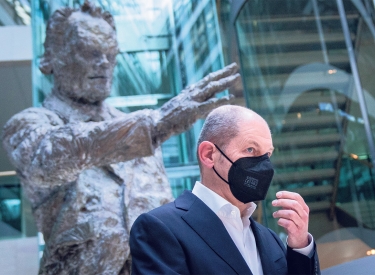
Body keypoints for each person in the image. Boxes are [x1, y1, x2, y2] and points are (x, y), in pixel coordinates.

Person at [1, 2, 240, 274]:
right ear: (51, 57)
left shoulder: (145, 128)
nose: (103, 63)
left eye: (110, 54)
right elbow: (49, 156)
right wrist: (154, 125)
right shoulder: (30, 125)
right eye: (89, 52)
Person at [130, 105, 321, 275]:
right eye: (250, 150)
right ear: (208, 155)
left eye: (267, 154)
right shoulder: (160, 228)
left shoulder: (270, 239)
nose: (264, 165)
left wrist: (300, 246)